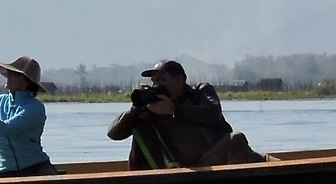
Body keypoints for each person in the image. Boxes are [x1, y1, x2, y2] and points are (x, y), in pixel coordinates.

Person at [108, 59, 261, 169]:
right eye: (154, 81)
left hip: (222, 153)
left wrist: (174, 110)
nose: (157, 85)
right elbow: (114, 133)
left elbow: (213, 114)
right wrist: (137, 107)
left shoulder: (200, 92)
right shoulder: (151, 110)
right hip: (195, 167)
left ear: (179, 80)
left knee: (261, 158)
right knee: (236, 139)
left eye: (162, 79)